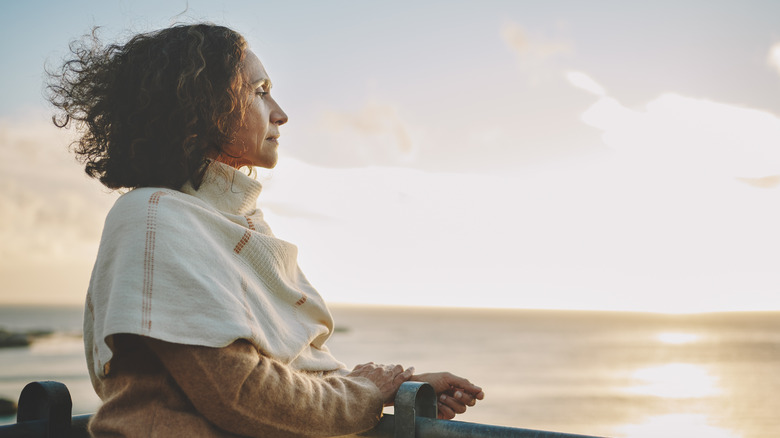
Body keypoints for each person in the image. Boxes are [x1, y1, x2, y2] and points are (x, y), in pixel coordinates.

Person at [46, 23, 484, 437]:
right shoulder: (153, 216)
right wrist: (365, 392)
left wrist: (396, 388)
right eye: (260, 91)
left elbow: (286, 378)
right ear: (204, 106)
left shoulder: (236, 225)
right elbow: (241, 394)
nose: (281, 114)